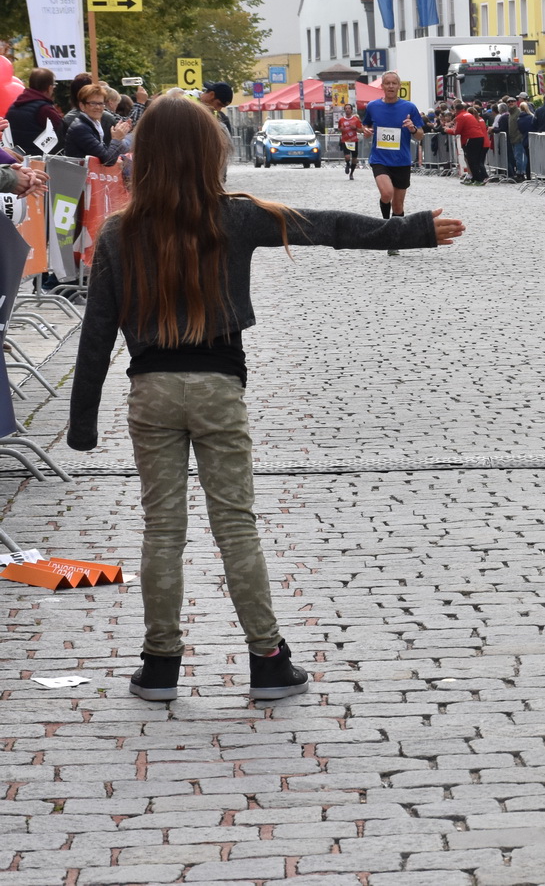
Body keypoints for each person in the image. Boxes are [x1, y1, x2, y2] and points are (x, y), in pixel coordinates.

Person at [65, 96, 464, 702]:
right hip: (219, 389)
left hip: (150, 393)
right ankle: (268, 661)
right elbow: (326, 227)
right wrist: (410, 231)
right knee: (236, 527)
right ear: (209, 155)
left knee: (162, 531)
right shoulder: (236, 216)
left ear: (142, 160)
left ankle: (161, 666)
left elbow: (95, 335)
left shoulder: (120, 231)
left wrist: (82, 423)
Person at [361, 71, 425, 256]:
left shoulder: (409, 107)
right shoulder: (373, 106)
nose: (390, 86)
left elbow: (420, 134)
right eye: (387, 83)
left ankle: (394, 239)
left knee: (398, 206)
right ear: (382, 86)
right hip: (380, 159)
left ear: (399, 86)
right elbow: (366, 127)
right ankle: (386, 228)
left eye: (393, 83)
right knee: (386, 193)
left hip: (402, 160)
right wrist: (366, 132)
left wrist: (413, 128)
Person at [65, 84, 133, 165]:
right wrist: (116, 139)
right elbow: (107, 160)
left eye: (101, 104)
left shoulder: (94, 124)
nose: (98, 107)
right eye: (93, 103)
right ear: (82, 106)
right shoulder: (80, 128)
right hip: (79, 176)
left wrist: (120, 137)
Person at [454, 103, 493, 184]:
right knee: (477, 160)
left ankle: (479, 178)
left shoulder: (462, 117)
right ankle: (477, 177)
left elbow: (457, 131)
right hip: (481, 139)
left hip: (472, 139)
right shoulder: (474, 117)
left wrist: (447, 130)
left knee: (473, 160)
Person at [336, 106, 364, 179]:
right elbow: (339, 128)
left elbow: (361, 130)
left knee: (354, 159)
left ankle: (351, 174)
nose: (347, 110)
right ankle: (347, 164)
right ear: (344, 110)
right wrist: (340, 129)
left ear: (351, 110)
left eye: (349, 109)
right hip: (345, 140)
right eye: (346, 109)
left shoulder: (355, 120)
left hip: (354, 141)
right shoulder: (341, 120)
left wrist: (355, 128)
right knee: (347, 156)